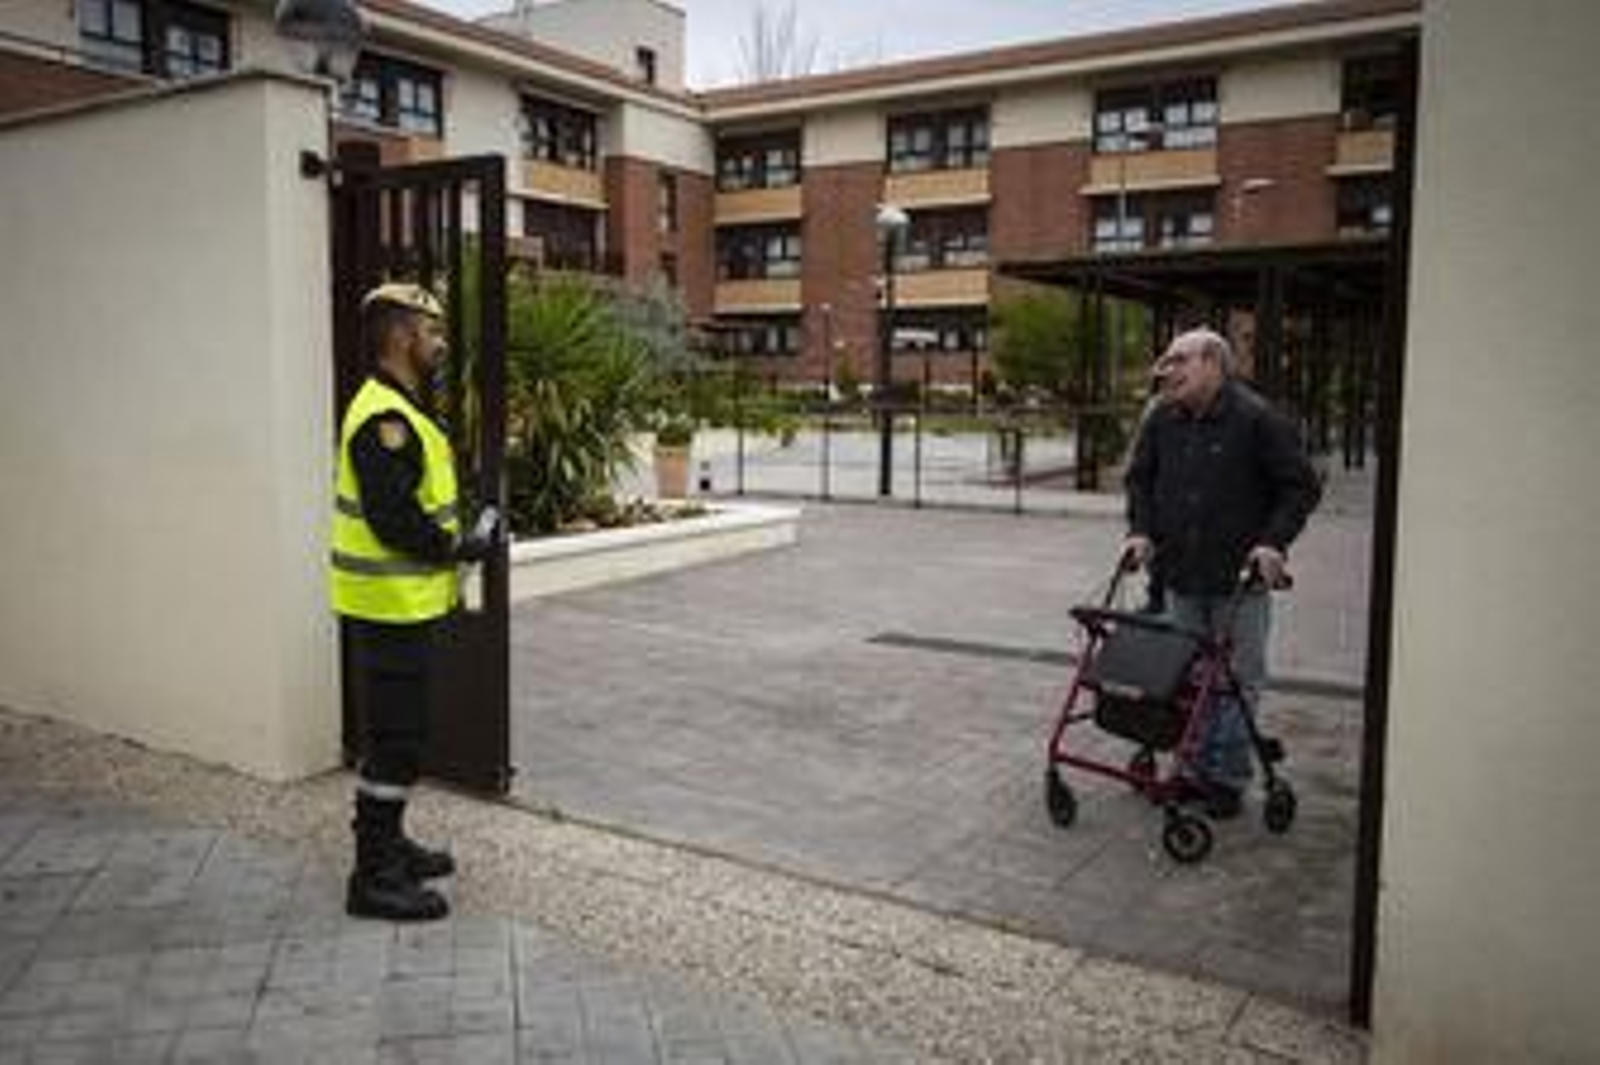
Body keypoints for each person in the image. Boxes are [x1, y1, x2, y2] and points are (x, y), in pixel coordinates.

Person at [330, 282, 498, 921]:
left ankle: (390, 844)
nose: (441, 343)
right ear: (402, 335)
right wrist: (457, 548)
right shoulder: (385, 419)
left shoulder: (396, 407)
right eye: (432, 331)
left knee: (400, 735)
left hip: (400, 603)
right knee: (396, 741)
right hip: (388, 605)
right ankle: (373, 877)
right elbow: (393, 518)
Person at [1121, 327, 1321, 819]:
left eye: (1178, 360)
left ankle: (1226, 778)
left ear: (1213, 363)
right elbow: (1139, 479)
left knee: (1236, 680)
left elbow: (1300, 487)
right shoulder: (1162, 417)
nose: (1166, 370)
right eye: (1166, 362)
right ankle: (1192, 771)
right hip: (1178, 574)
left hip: (1238, 581)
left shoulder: (1256, 418)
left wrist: (1272, 542)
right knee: (1187, 676)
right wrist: (1140, 531)